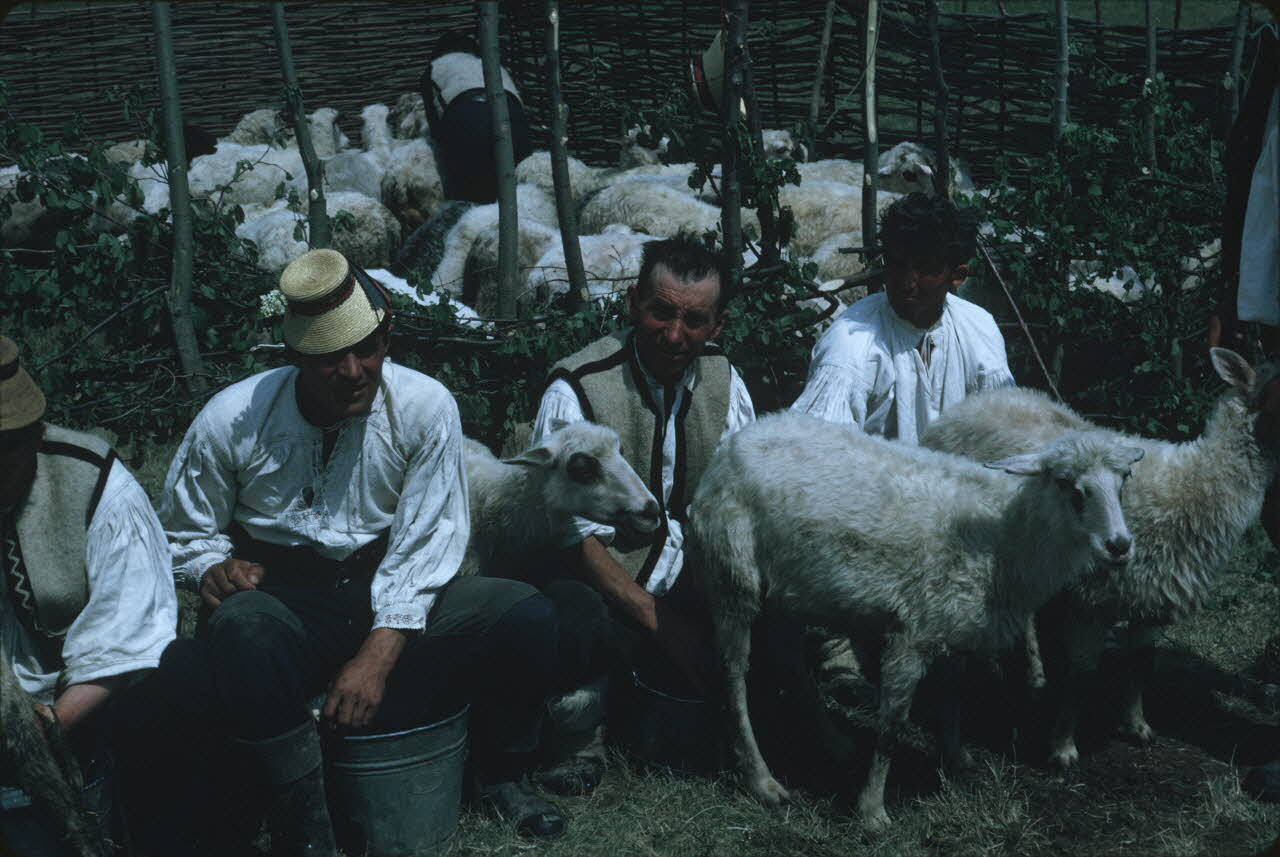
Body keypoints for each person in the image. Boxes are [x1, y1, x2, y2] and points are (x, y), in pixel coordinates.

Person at [129, 249, 566, 855]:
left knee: (524, 613)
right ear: (296, 357)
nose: (354, 371)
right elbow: (182, 531)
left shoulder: (424, 406)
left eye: (368, 349)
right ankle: (303, 824)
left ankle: (501, 774)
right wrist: (211, 567)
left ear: (386, 339)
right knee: (244, 628)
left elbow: (429, 539)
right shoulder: (232, 417)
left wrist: (379, 653)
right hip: (282, 596)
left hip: (389, 588)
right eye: (330, 357)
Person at [519, 234, 755, 793]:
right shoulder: (579, 387)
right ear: (632, 303)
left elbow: (741, 496)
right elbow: (564, 529)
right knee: (572, 612)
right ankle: (579, 739)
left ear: (717, 325)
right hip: (601, 573)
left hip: (689, 564)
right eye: (661, 312)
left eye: (694, 321)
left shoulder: (723, 380)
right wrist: (658, 619)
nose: (674, 335)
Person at [0, 335, 176, 835]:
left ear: (32, 435)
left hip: (80, 706)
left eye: (4, 447)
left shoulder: (93, 481)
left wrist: (46, 731)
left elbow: (128, 632)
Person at [792, 191, 1014, 444]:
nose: (908, 283)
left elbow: (1002, 434)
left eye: (926, 268)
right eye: (897, 264)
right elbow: (821, 447)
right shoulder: (850, 343)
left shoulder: (978, 329)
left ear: (957, 275)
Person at [420, 31, 533, 204]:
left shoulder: (433, 69)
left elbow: (436, 129)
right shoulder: (492, 64)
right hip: (512, 121)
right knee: (518, 189)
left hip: (467, 119)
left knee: (472, 196)